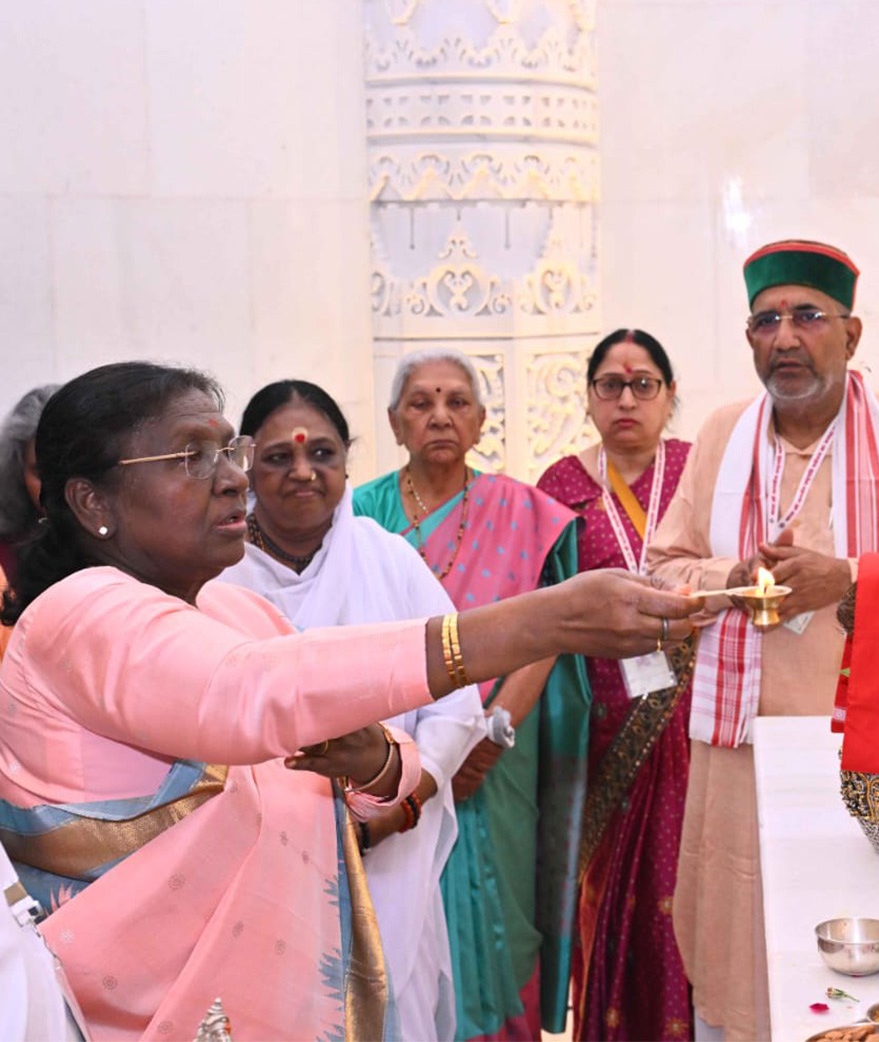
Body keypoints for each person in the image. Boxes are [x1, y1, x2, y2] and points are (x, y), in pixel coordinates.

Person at [0, 361, 702, 1040]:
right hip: (141, 1013)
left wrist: (378, 768)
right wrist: (539, 622)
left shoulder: (231, 609)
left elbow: (353, 767)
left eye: (228, 450)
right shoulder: (75, 617)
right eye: (191, 456)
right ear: (92, 501)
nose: (234, 479)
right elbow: (252, 692)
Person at [648, 240, 879, 1039]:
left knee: (870, 963)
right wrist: (738, 576)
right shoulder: (723, 434)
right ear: (749, 341)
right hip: (741, 753)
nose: (786, 337)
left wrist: (849, 582)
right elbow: (664, 569)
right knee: (745, 960)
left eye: (808, 316)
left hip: (875, 759)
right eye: (766, 320)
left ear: (852, 332)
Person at [214, 379, 487, 1041]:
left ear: (346, 463)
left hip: (389, 859)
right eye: (278, 457)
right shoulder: (218, 576)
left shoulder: (387, 557)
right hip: (255, 868)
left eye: (324, 455)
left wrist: (403, 804)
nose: (304, 471)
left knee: (389, 1009)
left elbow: (459, 703)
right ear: (245, 463)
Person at [354, 348, 587, 1040]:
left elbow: (548, 629)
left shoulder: (523, 512)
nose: (440, 416)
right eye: (421, 403)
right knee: (397, 910)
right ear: (396, 423)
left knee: (504, 908)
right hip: (387, 757)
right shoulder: (357, 517)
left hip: (496, 760)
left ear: (482, 421)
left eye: (457, 402)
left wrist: (490, 732)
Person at [536, 329, 695, 1042]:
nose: (626, 399)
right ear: (591, 397)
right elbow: (539, 613)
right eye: (610, 384)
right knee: (611, 899)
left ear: (668, 396)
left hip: (696, 725)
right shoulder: (559, 488)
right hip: (598, 731)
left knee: (686, 892)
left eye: (643, 385)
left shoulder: (702, 470)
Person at [0, 385, 60, 660]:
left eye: (67, 469)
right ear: (17, 470)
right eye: (40, 472)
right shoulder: (5, 548)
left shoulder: (126, 537)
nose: (55, 487)